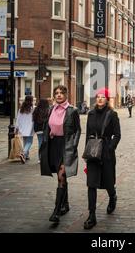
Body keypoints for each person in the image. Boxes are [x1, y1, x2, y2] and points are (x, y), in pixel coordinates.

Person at [39, 85, 81, 223]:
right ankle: (66, 204)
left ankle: (56, 212)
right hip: (53, 145)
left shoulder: (72, 111)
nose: (58, 95)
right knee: (61, 177)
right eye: (56, 93)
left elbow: (78, 130)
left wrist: (73, 145)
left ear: (66, 95)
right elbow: (48, 126)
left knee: (61, 176)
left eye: (61, 93)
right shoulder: (51, 109)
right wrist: (49, 134)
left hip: (66, 146)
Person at [84, 88, 121, 230]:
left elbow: (117, 135)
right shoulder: (91, 114)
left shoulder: (112, 114)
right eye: (98, 97)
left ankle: (112, 196)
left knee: (108, 181)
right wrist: (86, 153)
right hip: (93, 152)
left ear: (107, 99)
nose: (100, 99)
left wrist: (110, 147)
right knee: (91, 184)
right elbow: (88, 134)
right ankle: (91, 215)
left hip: (106, 153)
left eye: (102, 97)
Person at [15, 95, 35, 163]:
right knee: (29, 142)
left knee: (25, 142)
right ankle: (23, 153)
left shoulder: (21, 109)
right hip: (30, 128)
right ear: (31, 101)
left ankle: (26, 156)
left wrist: (16, 129)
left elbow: (18, 119)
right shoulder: (33, 109)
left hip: (22, 128)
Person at [32, 99, 50, 163]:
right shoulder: (48, 110)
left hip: (38, 129)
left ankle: (40, 158)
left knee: (40, 143)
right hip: (45, 129)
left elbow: (33, 119)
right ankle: (45, 157)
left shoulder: (36, 109)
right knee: (45, 143)